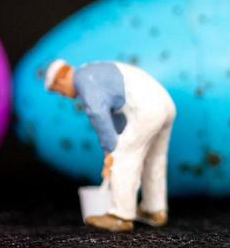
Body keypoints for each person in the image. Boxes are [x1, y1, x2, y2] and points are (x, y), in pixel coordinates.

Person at [44, 58, 176, 233]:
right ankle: (154, 209)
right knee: (154, 158)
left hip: (148, 109)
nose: (64, 95)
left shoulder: (84, 78)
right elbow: (119, 116)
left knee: (122, 157)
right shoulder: (96, 71)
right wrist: (113, 146)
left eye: (59, 91)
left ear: (61, 80)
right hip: (165, 105)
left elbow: (98, 114)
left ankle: (121, 216)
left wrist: (110, 151)